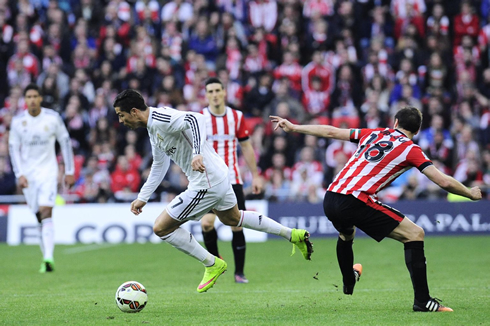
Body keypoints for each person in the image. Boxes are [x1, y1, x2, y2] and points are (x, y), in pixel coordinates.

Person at [271, 106, 482, 312]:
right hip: (355, 199)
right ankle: (423, 301)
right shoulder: (411, 149)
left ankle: (348, 281)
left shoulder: (374, 133)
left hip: (331, 196)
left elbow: (331, 131)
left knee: (346, 233)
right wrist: (469, 193)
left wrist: (295, 127)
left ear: (395, 122)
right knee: (415, 234)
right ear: (416, 131)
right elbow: (443, 181)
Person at [113, 89, 313, 293]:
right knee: (233, 219)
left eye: (121, 115)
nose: (121, 121)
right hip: (217, 175)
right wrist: (143, 197)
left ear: (135, 111)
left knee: (161, 228)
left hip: (205, 182)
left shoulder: (161, 117)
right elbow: (159, 165)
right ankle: (293, 235)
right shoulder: (152, 128)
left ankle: (211, 263)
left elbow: (196, 119)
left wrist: (197, 153)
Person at [200, 77, 262, 284]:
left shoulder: (236, 116)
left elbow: (246, 146)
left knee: (237, 225)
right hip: (208, 180)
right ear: (206, 95)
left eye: (218, 90)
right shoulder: (200, 118)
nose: (215, 94)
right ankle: (216, 262)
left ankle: (240, 273)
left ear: (224, 92)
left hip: (232, 179)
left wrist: (255, 175)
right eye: (210, 91)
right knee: (207, 223)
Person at [8, 83, 75, 273]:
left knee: (46, 211)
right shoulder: (18, 122)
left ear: (40, 98)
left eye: (34, 96)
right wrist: (19, 174)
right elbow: (13, 150)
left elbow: (65, 142)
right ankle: (45, 256)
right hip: (28, 176)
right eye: (28, 97)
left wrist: (69, 170)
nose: (31, 100)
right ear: (25, 100)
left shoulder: (52, 118)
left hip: (48, 171)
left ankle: (48, 258)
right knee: (38, 215)